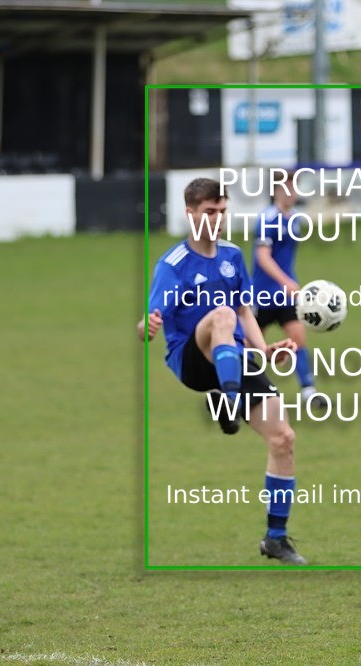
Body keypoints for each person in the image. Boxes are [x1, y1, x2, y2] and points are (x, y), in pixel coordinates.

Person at [138, 177, 307, 565]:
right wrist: (145, 328)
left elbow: (246, 311)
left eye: (222, 211)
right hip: (192, 361)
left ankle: (275, 538)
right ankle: (228, 400)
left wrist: (264, 350)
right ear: (190, 214)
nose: (217, 219)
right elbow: (148, 322)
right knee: (221, 315)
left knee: (283, 438)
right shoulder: (172, 265)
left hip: (233, 357)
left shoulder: (231, 255)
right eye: (209, 212)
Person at [251, 169, 327, 408]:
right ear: (275, 191)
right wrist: (284, 280)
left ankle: (309, 391)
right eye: (285, 188)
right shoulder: (268, 218)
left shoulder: (294, 219)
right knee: (249, 347)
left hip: (286, 296)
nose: (291, 192)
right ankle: (231, 390)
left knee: (297, 338)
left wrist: (288, 282)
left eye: (294, 187)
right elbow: (262, 256)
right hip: (263, 295)